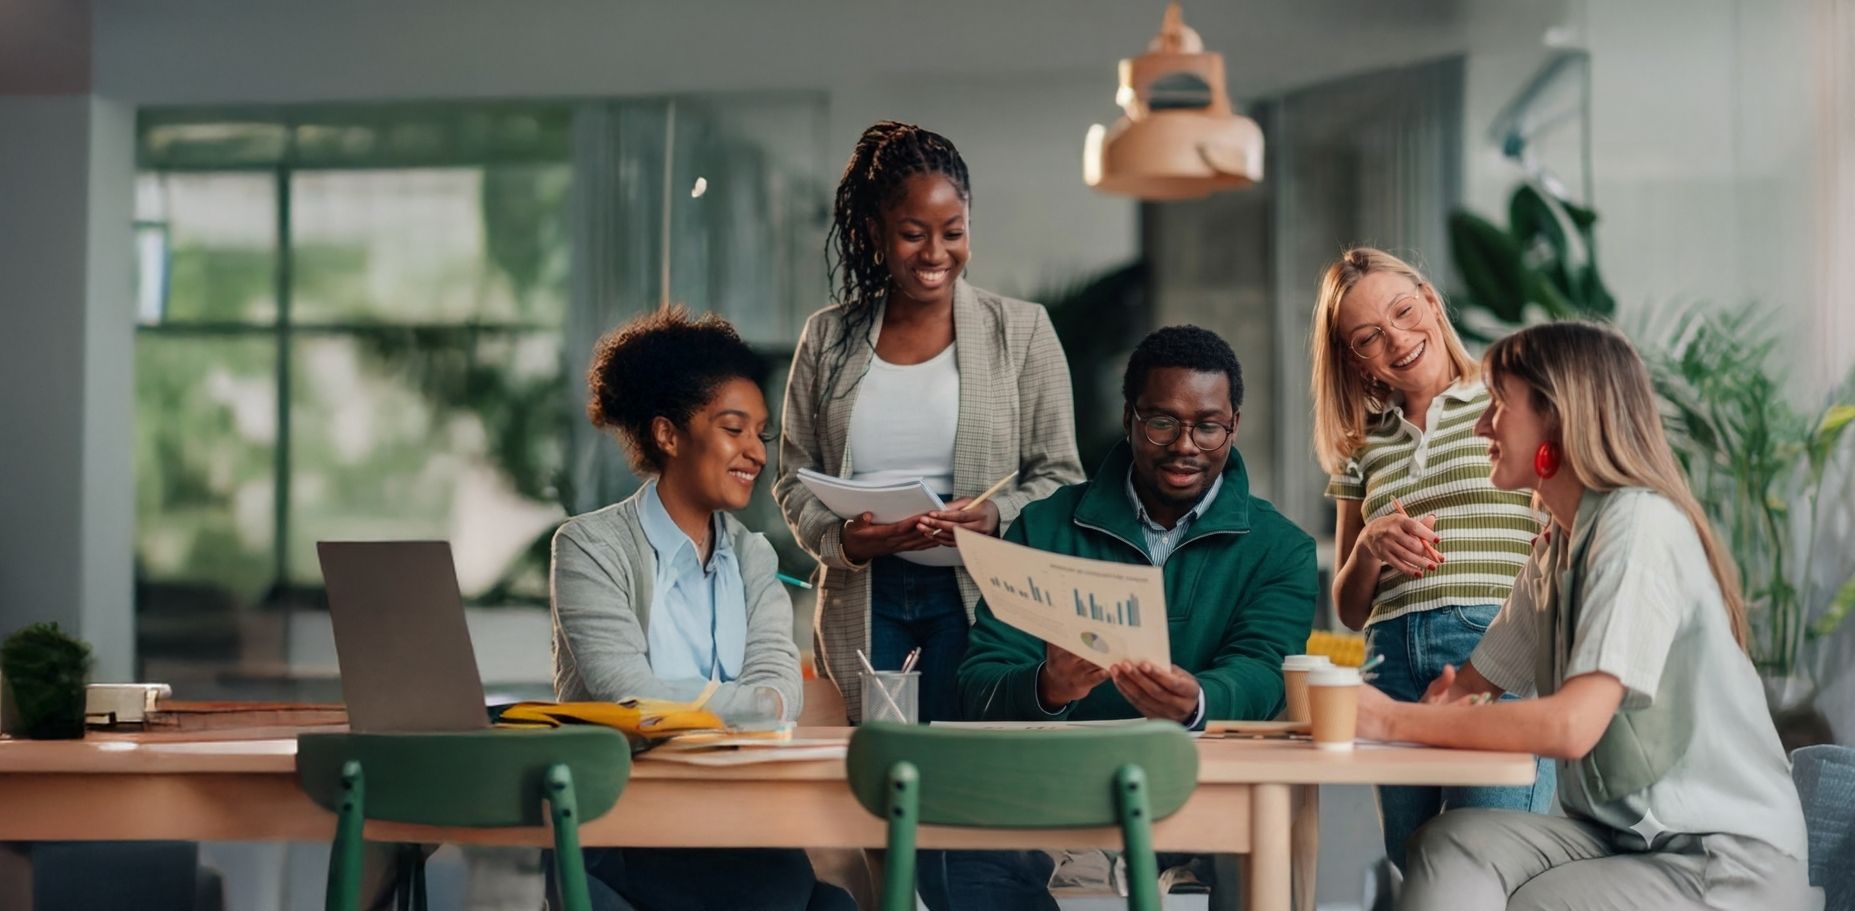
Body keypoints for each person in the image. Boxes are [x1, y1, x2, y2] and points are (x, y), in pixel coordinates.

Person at [1357, 321, 1815, 910]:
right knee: (1447, 842)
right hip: (1623, 842)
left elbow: (1572, 727)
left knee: (1534, 900)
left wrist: (1391, 722)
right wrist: (1424, 704)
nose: (1480, 425)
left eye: (1499, 404)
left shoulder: (1638, 529)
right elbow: (1473, 688)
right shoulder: (1555, 548)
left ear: (1558, 416)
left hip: (1723, 864)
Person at [945, 325, 1318, 910]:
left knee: (1263, 829)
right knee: (952, 849)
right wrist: (1047, 686)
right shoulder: (1043, 529)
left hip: (1200, 785)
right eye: (1162, 421)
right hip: (1058, 791)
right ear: (1129, 418)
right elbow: (978, 685)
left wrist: (1196, 699)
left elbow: (1263, 668)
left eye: (1208, 425)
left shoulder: (1280, 548)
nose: (1185, 444)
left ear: (1234, 426)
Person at [773, 120, 1085, 725]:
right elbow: (792, 477)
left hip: (979, 588)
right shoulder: (827, 336)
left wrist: (996, 514)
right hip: (865, 591)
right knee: (878, 764)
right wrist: (843, 540)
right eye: (913, 234)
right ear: (875, 233)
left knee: (964, 759)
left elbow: (1062, 475)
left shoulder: (1021, 331)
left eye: (953, 232)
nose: (936, 254)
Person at [549, 307, 853, 911]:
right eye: (733, 428)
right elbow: (626, 698)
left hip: (741, 824)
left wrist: (689, 703)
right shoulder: (589, 547)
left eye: (759, 434)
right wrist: (744, 707)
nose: (756, 453)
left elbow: (782, 696)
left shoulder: (754, 556)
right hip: (624, 828)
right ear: (668, 434)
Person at [1309, 247, 1554, 870]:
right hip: (1390, 665)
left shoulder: (1509, 402)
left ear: (1431, 300)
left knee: (1491, 853)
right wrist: (1367, 548)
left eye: (1403, 311)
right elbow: (1349, 609)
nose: (1397, 339)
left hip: (1493, 649)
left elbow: (1564, 519)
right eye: (1369, 336)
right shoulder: (1361, 446)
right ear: (1353, 357)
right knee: (1413, 863)